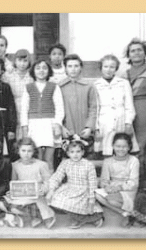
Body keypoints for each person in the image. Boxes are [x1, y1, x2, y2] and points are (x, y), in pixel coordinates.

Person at [0, 137, 56, 228]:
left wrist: (44, 190)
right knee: (2, 204)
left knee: (40, 203)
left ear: (33, 152)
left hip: (36, 193)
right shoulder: (15, 165)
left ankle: (43, 216)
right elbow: (14, 182)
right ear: (18, 151)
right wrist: (12, 191)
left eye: (29, 151)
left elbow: (48, 181)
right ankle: (28, 215)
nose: (26, 154)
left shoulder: (41, 164)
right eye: (23, 150)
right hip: (23, 193)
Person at [46, 140, 104, 229]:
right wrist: (51, 190)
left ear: (83, 152)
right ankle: (83, 218)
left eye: (78, 151)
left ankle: (84, 219)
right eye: (72, 152)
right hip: (70, 188)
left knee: (76, 203)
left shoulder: (88, 165)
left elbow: (93, 183)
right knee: (55, 199)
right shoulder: (65, 163)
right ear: (68, 153)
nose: (75, 154)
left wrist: (91, 200)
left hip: (83, 190)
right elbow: (56, 177)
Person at [21, 59, 64, 173]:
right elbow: (24, 109)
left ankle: (50, 184)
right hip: (34, 125)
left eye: (44, 68)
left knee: (49, 158)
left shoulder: (54, 87)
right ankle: (38, 182)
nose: (41, 71)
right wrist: (25, 127)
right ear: (33, 71)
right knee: (37, 156)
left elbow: (59, 107)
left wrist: (57, 124)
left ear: (49, 71)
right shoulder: (28, 87)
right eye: (38, 68)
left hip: (49, 124)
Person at [94, 54, 139, 157]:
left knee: (122, 149)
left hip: (121, 120)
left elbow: (129, 105)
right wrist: (96, 129)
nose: (108, 70)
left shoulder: (123, 83)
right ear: (101, 68)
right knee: (107, 151)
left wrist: (128, 123)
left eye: (112, 67)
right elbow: (95, 108)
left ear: (116, 69)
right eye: (105, 66)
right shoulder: (96, 85)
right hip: (104, 122)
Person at [95, 133, 139, 225]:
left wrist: (119, 188)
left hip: (127, 190)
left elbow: (134, 182)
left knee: (112, 200)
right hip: (112, 188)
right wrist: (106, 187)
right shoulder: (108, 161)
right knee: (97, 195)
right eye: (118, 146)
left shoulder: (133, 160)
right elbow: (104, 180)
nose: (121, 149)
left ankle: (130, 210)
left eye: (124, 146)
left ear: (129, 147)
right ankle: (125, 213)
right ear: (113, 146)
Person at [60, 54, 97, 158]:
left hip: (84, 130)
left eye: (76, 66)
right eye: (70, 66)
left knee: (85, 159)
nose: (73, 69)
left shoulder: (89, 86)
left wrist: (89, 127)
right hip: (67, 130)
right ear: (65, 68)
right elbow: (56, 110)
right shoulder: (60, 87)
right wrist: (62, 127)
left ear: (81, 67)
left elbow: (93, 108)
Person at [123, 38, 146, 185]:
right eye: (133, 51)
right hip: (130, 110)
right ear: (128, 55)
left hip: (144, 106)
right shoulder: (124, 73)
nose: (136, 53)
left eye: (139, 50)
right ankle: (137, 181)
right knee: (135, 144)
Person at [7, 49, 33, 140]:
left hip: (28, 107)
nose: (22, 64)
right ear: (15, 61)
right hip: (13, 106)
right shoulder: (8, 76)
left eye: (25, 61)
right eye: (19, 60)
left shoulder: (32, 76)